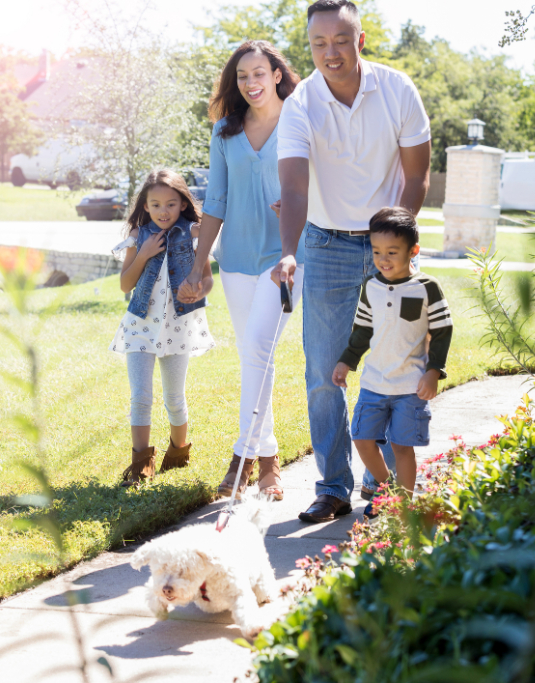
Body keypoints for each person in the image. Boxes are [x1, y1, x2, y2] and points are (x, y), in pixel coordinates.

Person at [270, 0, 433, 523]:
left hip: (387, 242)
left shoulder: (397, 90)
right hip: (326, 243)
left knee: (390, 370)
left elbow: (417, 176)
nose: (330, 53)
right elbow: (293, 188)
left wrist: (397, 243)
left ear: (359, 39)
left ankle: (381, 488)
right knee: (323, 372)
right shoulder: (300, 105)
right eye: (319, 44)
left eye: (340, 41)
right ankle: (333, 488)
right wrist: (289, 251)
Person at [178, 41, 306, 500]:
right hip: (235, 260)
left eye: (258, 73)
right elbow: (216, 201)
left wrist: (299, 205)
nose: (251, 83)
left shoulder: (300, 119)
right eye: (242, 77)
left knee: (257, 347)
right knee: (256, 356)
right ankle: (268, 460)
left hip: (288, 258)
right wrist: (200, 264)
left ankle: (242, 458)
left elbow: (321, 183)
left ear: (276, 74)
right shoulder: (224, 132)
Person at [332, 207, 452, 518]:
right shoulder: (370, 286)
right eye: (377, 251)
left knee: (401, 447)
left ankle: (405, 506)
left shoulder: (427, 287)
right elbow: (362, 330)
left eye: (392, 252)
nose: (383, 259)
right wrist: (347, 361)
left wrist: (433, 372)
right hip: (375, 382)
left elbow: (442, 331)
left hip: (410, 386)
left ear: (414, 251)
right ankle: (389, 493)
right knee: (361, 437)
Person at [110, 169, 215, 487]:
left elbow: (207, 278)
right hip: (140, 326)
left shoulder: (194, 235)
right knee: (141, 397)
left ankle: (179, 452)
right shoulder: (138, 237)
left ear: (183, 204)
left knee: (174, 396)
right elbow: (124, 284)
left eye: (170, 204)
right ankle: (141, 463)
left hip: (178, 327)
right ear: (145, 206)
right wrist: (142, 255)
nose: (163, 211)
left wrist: (200, 289)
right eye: (155, 205)